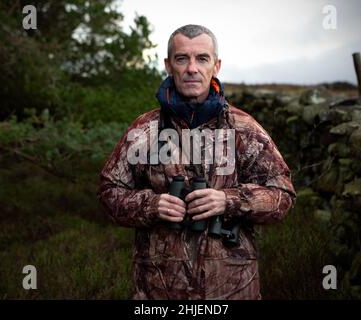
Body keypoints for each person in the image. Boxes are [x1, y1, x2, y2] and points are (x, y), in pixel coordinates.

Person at [97, 24, 296, 300]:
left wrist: (228, 201)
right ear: (168, 65)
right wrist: (152, 205)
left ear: (216, 65)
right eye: (182, 59)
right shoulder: (144, 130)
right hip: (158, 291)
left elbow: (282, 195)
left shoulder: (244, 129)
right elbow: (109, 193)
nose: (192, 68)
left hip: (231, 290)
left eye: (202, 58)